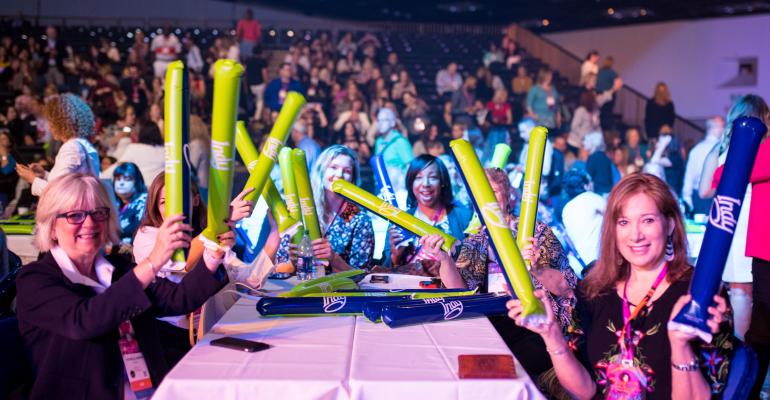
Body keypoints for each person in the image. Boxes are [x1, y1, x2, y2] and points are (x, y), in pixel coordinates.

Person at [506, 173, 732, 399]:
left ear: (670, 224)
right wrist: (551, 333)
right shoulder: (594, 291)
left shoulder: (700, 294)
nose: (635, 235)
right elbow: (584, 391)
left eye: (648, 220)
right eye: (624, 222)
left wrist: (681, 348)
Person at [16, 173, 229, 400]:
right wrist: (153, 260)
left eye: (98, 213)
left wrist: (213, 255)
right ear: (51, 226)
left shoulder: (117, 269)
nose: (89, 223)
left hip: (149, 390)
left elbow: (177, 298)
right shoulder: (35, 280)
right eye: (75, 215)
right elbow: (84, 321)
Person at [700, 94, 768, 343]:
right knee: (745, 295)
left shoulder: (722, 149)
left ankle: (734, 356)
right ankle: (740, 358)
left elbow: (704, 190)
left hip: (725, 221)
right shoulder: (759, 149)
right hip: (749, 225)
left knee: (734, 292)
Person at [276, 145, 374, 271]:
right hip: (300, 287)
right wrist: (293, 262)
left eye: (347, 171)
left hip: (339, 289)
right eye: (333, 167)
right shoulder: (301, 210)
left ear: (353, 180)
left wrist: (333, 259)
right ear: (321, 171)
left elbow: (363, 276)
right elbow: (279, 266)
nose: (339, 174)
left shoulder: (357, 218)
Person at [383, 155, 472, 269]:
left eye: (433, 177)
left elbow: (475, 265)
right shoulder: (399, 220)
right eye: (418, 177)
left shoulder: (464, 217)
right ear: (410, 183)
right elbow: (383, 271)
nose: (425, 184)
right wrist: (395, 257)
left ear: (442, 182)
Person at [16, 94, 100, 197]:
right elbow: (68, 183)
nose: (50, 129)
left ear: (62, 123)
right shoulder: (82, 144)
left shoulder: (71, 148)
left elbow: (58, 193)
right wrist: (45, 175)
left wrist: (32, 178)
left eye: (51, 123)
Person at [561, 168, 606, 267]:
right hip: (600, 259)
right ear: (585, 185)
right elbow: (613, 214)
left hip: (582, 263)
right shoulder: (590, 197)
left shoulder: (566, 209)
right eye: (590, 182)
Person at [101, 122, 165, 187]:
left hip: (141, 190)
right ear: (158, 134)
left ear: (141, 133)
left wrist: (101, 176)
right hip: (159, 191)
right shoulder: (164, 151)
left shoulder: (134, 149)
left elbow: (119, 166)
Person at [682, 117, 723, 214]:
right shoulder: (721, 149)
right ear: (714, 129)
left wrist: (687, 199)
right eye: (722, 127)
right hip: (715, 196)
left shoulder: (696, 149)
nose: (725, 130)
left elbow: (689, 177)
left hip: (698, 198)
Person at [373, 107, 413, 193]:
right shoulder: (378, 141)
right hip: (382, 187)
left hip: (399, 188)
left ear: (392, 123)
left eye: (384, 120)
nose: (380, 124)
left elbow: (410, 166)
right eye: (379, 120)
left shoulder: (400, 141)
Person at [112, 162, 147, 245]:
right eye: (118, 179)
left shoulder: (143, 202)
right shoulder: (116, 202)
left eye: (127, 179)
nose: (121, 183)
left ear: (137, 182)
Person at [568, 91, 601, 155]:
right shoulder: (581, 110)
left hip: (588, 144)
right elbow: (574, 126)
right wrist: (583, 137)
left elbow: (597, 127)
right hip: (576, 143)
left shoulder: (595, 111)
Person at [584, 131, 614, 195]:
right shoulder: (605, 156)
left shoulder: (593, 157)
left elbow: (588, 174)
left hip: (599, 191)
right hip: (608, 190)